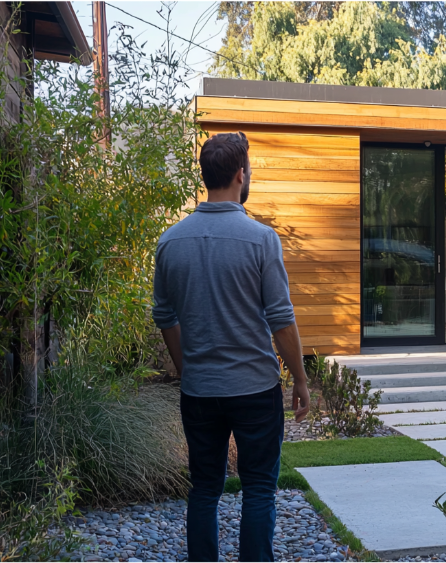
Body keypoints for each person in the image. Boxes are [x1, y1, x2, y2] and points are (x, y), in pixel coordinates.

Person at [152, 131, 311, 563]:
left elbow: (163, 315)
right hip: (255, 389)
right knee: (259, 487)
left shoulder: (170, 241)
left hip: (199, 390)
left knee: (204, 489)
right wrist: (300, 378)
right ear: (241, 174)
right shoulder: (261, 240)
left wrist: (187, 368)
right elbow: (281, 319)